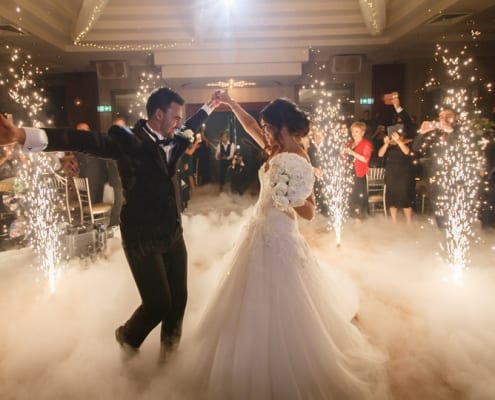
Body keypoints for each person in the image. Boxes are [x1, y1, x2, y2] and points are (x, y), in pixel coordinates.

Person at [168, 92, 387, 399]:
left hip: (281, 233)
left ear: (282, 125)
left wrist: (290, 197)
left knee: (285, 298)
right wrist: (230, 103)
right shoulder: (274, 148)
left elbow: (309, 211)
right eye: (265, 126)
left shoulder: (300, 159)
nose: (264, 130)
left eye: (268, 126)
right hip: (257, 229)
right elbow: (248, 127)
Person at [0, 88, 222, 356]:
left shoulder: (175, 135)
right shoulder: (127, 140)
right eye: (175, 117)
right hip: (142, 238)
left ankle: (169, 360)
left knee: (179, 302)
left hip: (173, 233)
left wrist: (210, 105)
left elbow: (190, 125)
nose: (179, 122)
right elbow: (81, 139)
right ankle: (127, 338)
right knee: (158, 305)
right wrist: (22, 135)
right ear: (158, 114)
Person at [378, 95, 416, 224]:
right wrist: (387, 143)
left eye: (401, 123)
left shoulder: (409, 139)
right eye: (397, 122)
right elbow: (380, 154)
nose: (399, 124)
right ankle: (394, 224)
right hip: (391, 172)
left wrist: (400, 141)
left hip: (404, 173)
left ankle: (409, 224)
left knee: (405, 198)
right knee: (392, 199)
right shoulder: (390, 141)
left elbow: (408, 152)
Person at [344, 121, 373, 219]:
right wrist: (342, 153)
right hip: (349, 174)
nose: (354, 134)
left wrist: (352, 153)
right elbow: (346, 158)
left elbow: (365, 159)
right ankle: (352, 219)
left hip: (359, 175)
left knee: (359, 198)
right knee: (351, 197)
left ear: (363, 133)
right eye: (353, 132)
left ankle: (360, 220)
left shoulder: (366, 144)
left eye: (357, 131)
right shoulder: (350, 143)